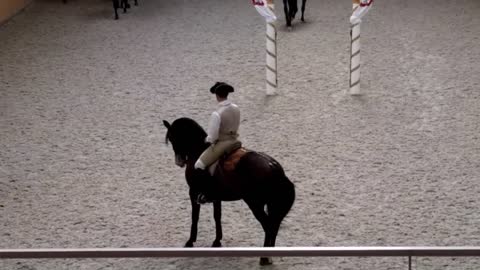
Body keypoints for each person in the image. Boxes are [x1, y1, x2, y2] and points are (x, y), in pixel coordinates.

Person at [194, 82, 242, 204]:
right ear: (227, 94)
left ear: (217, 95)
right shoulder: (236, 108)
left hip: (223, 143)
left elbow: (213, 137)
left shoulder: (217, 113)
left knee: (199, 165)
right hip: (235, 141)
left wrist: (207, 140)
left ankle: (206, 194)